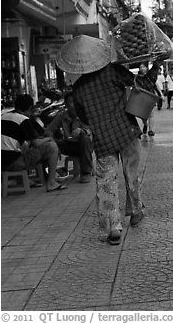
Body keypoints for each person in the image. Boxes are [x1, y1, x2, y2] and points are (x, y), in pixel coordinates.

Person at [57, 35, 160, 245]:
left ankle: (113, 227)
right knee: (132, 175)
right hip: (126, 132)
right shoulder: (112, 71)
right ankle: (136, 211)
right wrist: (156, 65)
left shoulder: (78, 90)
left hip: (102, 140)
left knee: (105, 183)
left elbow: (83, 117)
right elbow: (144, 83)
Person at [1, 94, 66, 192]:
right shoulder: (23, 120)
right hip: (13, 163)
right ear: (30, 108)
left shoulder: (3, 116)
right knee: (52, 147)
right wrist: (49, 139)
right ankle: (51, 182)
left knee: (23, 147)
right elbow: (37, 143)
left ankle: (22, 180)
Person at [45, 92, 94, 183]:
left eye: (75, 102)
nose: (74, 105)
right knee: (48, 144)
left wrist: (81, 130)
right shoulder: (62, 115)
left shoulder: (84, 114)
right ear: (66, 104)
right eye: (71, 102)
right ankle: (49, 174)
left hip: (84, 145)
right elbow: (49, 130)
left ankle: (86, 172)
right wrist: (51, 138)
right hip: (69, 144)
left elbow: (91, 130)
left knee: (85, 138)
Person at [137, 63, 158, 136]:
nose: (142, 68)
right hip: (142, 98)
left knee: (151, 114)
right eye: (140, 67)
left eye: (143, 67)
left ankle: (151, 130)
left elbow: (155, 86)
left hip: (151, 96)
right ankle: (145, 124)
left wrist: (160, 94)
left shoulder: (150, 77)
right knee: (143, 115)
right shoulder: (137, 78)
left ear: (146, 68)